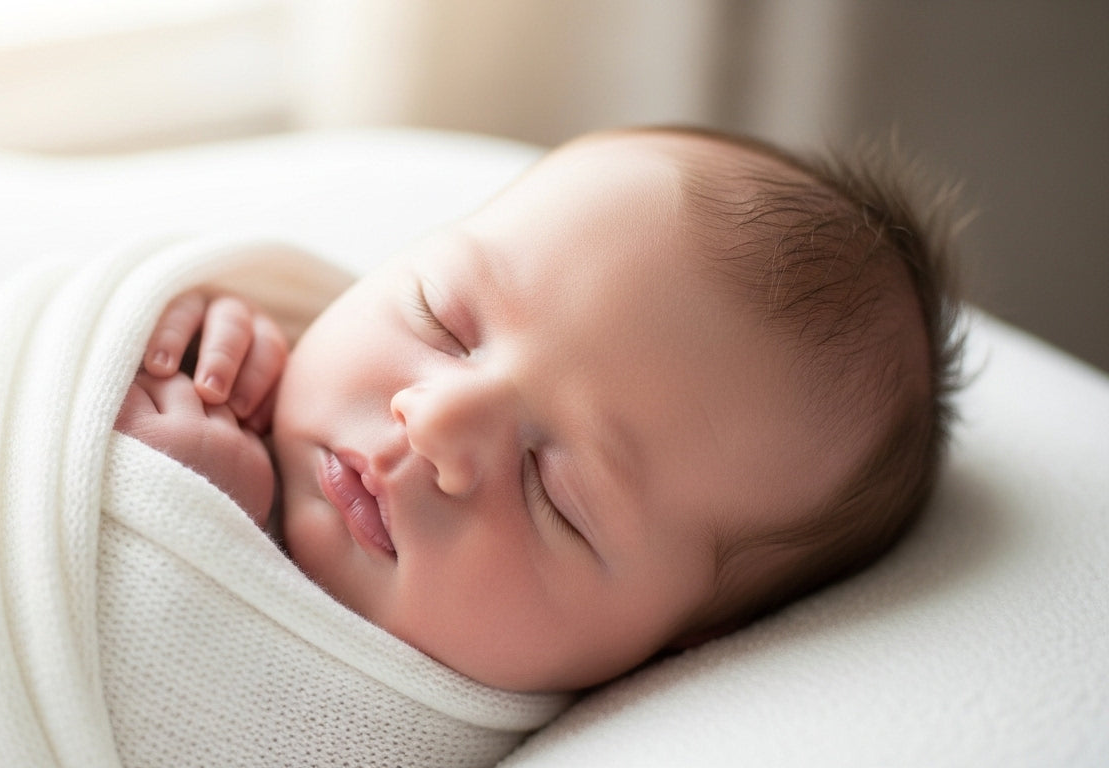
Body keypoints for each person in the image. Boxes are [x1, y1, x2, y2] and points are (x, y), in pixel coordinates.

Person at [115, 126, 961, 693]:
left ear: (678, 648)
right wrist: (140, 342)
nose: (436, 423)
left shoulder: (406, 719)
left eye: (556, 494)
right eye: (441, 321)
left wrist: (155, 518)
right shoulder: (238, 354)